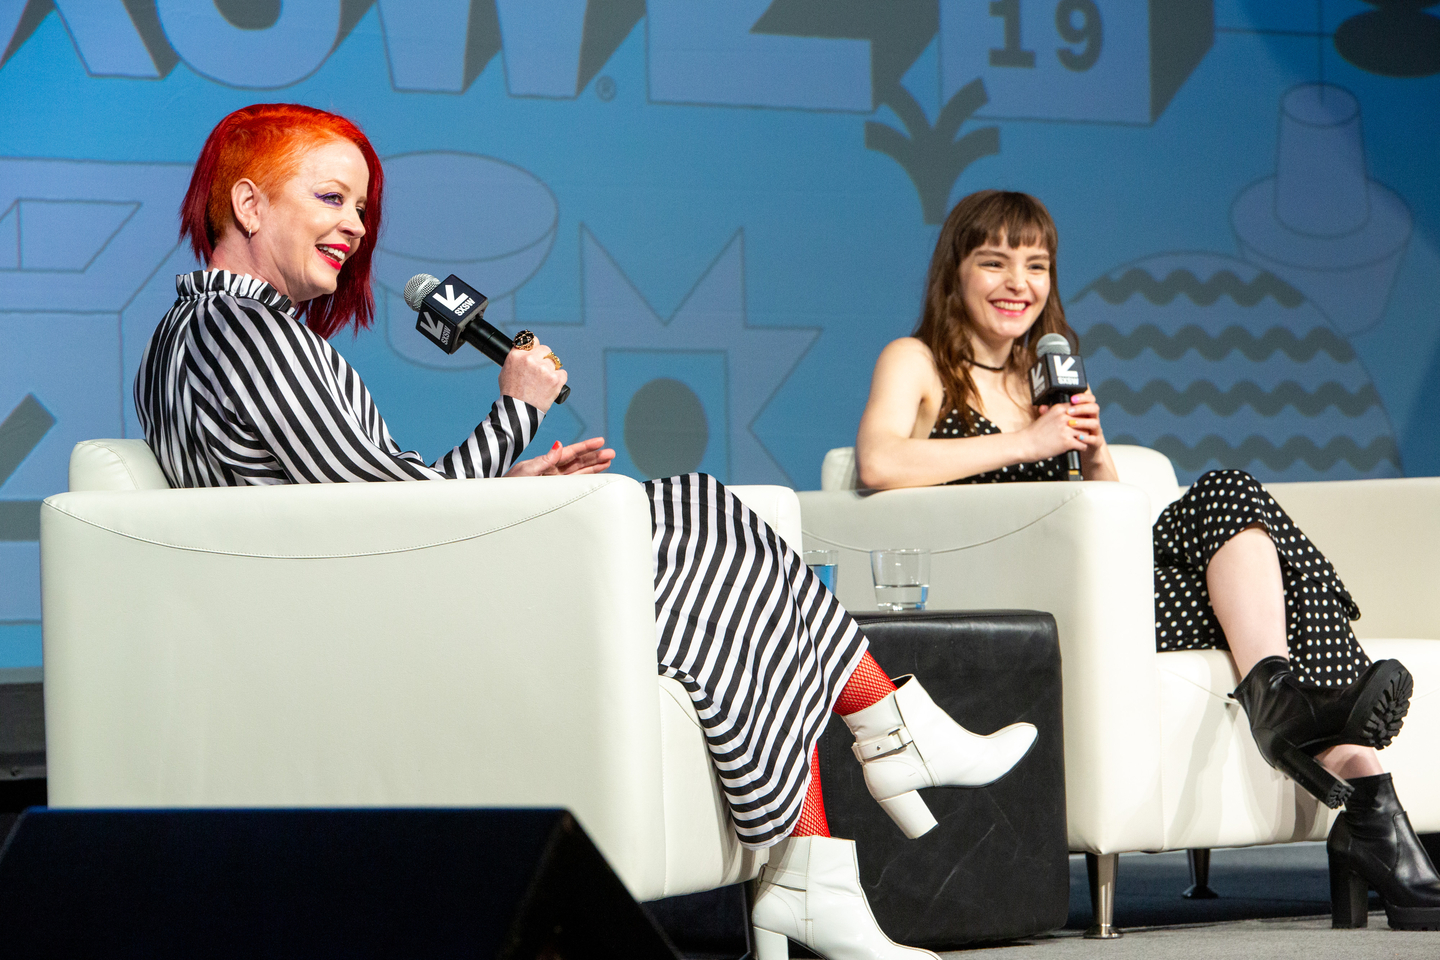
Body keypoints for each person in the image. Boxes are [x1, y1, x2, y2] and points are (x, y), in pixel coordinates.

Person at [135, 104, 1040, 960]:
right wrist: (514, 415)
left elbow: (362, 498)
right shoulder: (242, 328)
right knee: (692, 511)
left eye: (361, 206)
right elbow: (386, 506)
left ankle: (838, 831)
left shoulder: (198, 330)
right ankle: (878, 748)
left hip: (368, 583)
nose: (355, 226)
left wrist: (512, 479)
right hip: (375, 614)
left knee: (703, 548)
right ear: (248, 202)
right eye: (329, 198)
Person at [854, 188, 1440, 931]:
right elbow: (876, 462)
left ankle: (1325, 744)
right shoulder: (919, 362)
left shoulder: (1045, 374)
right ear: (955, 272)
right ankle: (1347, 777)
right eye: (994, 262)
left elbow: (1102, 517)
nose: (1018, 283)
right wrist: (1029, 444)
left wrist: (1093, 456)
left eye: (1036, 265)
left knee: (1234, 504)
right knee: (1256, 556)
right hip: (1036, 599)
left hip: (1103, 583)